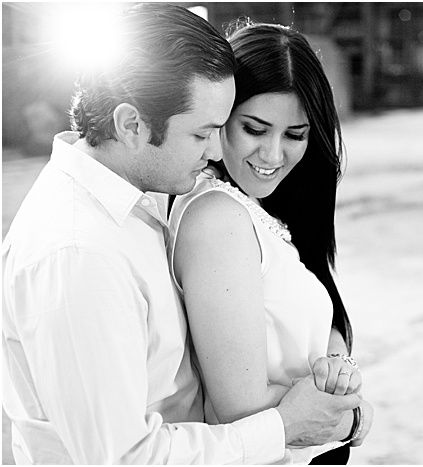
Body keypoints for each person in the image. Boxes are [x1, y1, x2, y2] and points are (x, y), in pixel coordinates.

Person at [1, 4, 360, 464]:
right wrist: (299, 424)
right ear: (131, 125)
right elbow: (126, 459)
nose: (215, 150)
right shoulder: (77, 252)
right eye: (202, 133)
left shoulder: (135, 205)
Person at [167, 22, 373, 464]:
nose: (273, 155)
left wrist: (338, 370)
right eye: (254, 129)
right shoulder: (217, 218)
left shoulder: (258, 206)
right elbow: (240, 407)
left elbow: (324, 311)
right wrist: (352, 418)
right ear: (221, 115)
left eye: (294, 135)